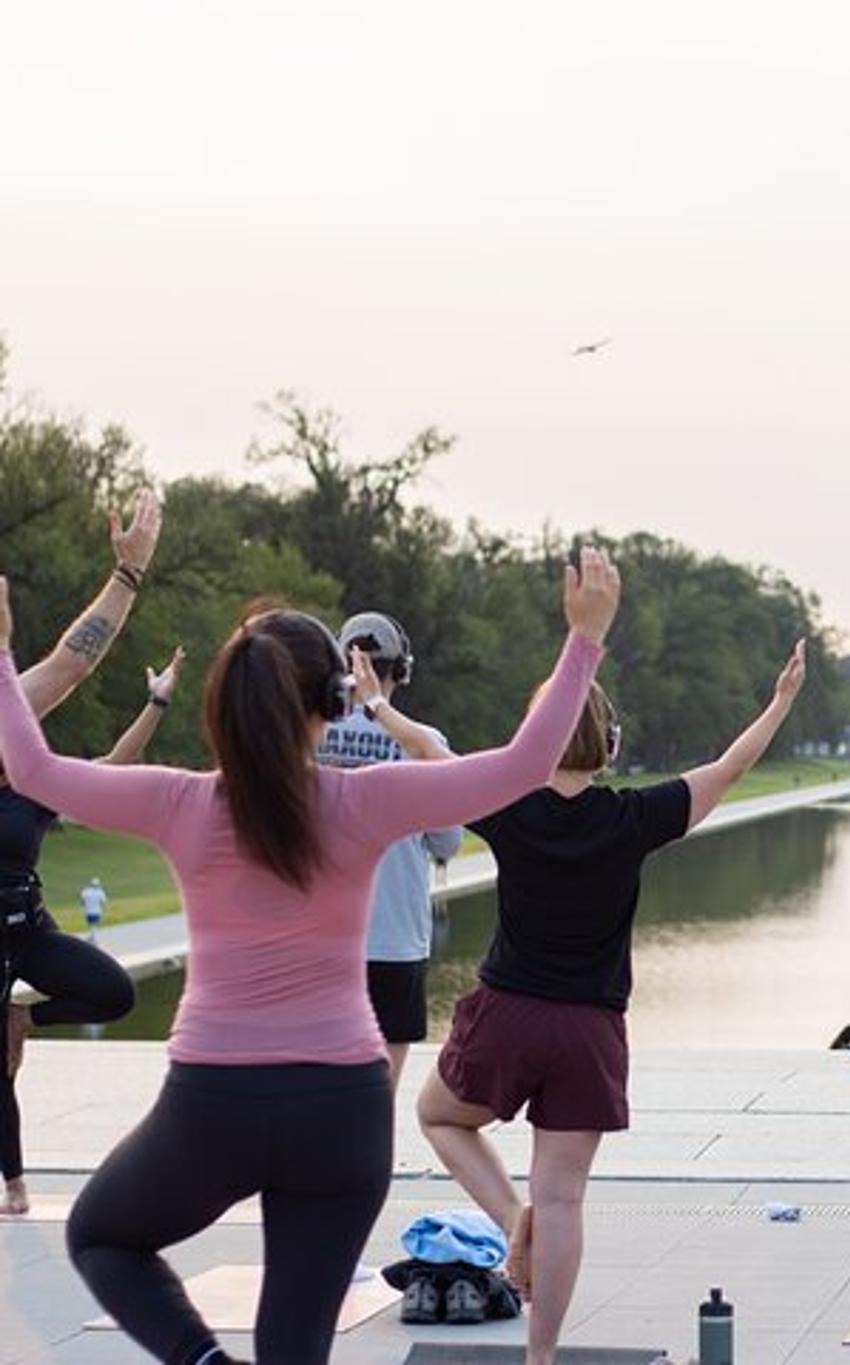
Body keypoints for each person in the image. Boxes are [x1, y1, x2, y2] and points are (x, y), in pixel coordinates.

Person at [0, 547, 620, 1365]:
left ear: (221, 703)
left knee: (101, 1234)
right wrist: (583, 641)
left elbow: (31, 767)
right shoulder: (366, 798)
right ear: (334, 703)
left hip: (213, 1103)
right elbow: (525, 766)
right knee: (293, 1348)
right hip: (341, 1111)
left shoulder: (178, 800)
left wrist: (2, 657)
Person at [389, 640, 806, 1365]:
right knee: (563, 1200)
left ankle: (512, 1219)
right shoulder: (632, 816)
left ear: (536, 737)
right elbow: (730, 767)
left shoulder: (508, 803)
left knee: (438, 1116)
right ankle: (541, 1354)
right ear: (610, 744)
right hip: (589, 1029)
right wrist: (779, 702)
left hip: (508, 1013)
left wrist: (377, 704)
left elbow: (431, 749)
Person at [0, 493, 166, 1218]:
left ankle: (23, 1019)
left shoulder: (28, 772)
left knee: (113, 992)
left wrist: (128, 575)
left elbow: (71, 664)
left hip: (26, 927)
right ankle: (14, 1186)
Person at [316, 610, 463, 1085]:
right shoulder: (426, 744)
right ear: (401, 670)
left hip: (316, 935)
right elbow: (447, 842)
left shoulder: (306, 733)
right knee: (379, 1087)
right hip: (393, 938)